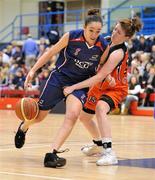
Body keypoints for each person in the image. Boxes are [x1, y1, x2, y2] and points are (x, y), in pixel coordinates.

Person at [14, 9, 109, 168]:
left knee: (72, 115)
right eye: (91, 30)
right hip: (59, 79)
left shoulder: (102, 46)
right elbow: (51, 52)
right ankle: (23, 128)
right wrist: (33, 70)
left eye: (98, 31)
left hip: (79, 85)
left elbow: (102, 67)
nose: (94, 34)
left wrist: (108, 75)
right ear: (84, 27)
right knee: (38, 117)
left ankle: (52, 154)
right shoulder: (71, 36)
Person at [64, 17, 142, 166]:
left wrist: (74, 87)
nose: (114, 33)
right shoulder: (106, 41)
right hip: (100, 86)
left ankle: (109, 153)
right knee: (84, 117)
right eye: (114, 29)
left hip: (115, 88)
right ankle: (99, 144)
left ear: (126, 37)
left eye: (118, 32)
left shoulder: (118, 52)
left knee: (101, 108)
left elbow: (100, 74)